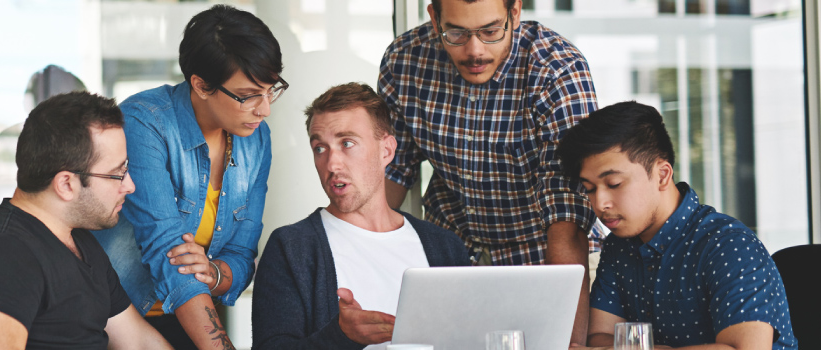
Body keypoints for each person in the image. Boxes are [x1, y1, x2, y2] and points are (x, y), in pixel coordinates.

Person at [376, 0, 598, 342]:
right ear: (434, 19)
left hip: (546, 260)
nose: (474, 50)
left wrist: (569, 342)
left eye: (491, 31)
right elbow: (389, 177)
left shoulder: (557, 69)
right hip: (451, 258)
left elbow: (566, 217)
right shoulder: (405, 60)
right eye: (456, 33)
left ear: (515, 13)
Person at [92, 4, 284, 349]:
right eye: (247, 96)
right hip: (113, 323)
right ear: (201, 85)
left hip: (193, 317)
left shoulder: (256, 138)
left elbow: (242, 255)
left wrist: (214, 273)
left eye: (271, 90)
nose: (265, 108)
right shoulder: (145, 123)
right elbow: (168, 248)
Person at [559, 101, 796, 349]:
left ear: (662, 175)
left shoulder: (730, 246)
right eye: (589, 189)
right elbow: (599, 336)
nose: (600, 203)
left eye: (615, 183)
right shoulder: (618, 247)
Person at [252, 83, 470, 350]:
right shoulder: (292, 247)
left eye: (347, 143)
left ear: (386, 151)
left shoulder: (445, 247)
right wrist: (340, 337)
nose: (332, 164)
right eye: (320, 148)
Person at [0, 91, 171, 350]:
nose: (130, 186)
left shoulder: (81, 243)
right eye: (117, 174)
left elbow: (140, 343)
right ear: (66, 184)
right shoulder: (1, 255)